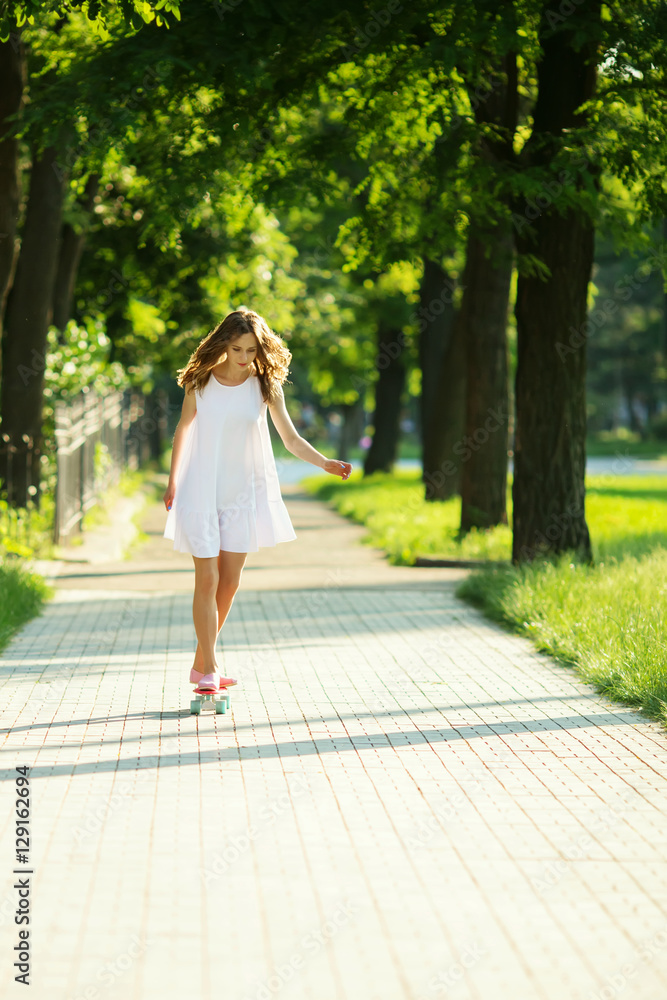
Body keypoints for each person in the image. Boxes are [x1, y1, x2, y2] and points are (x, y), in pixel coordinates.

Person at [163, 307, 351, 692]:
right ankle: (210, 668)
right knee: (208, 577)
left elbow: (291, 439)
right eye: (237, 349)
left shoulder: (266, 386)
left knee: (229, 583)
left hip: (241, 494)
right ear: (223, 345)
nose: (244, 358)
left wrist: (324, 462)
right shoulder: (200, 382)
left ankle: (202, 663)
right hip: (201, 488)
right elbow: (183, 429)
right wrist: (172, 481)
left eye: (251, 350)